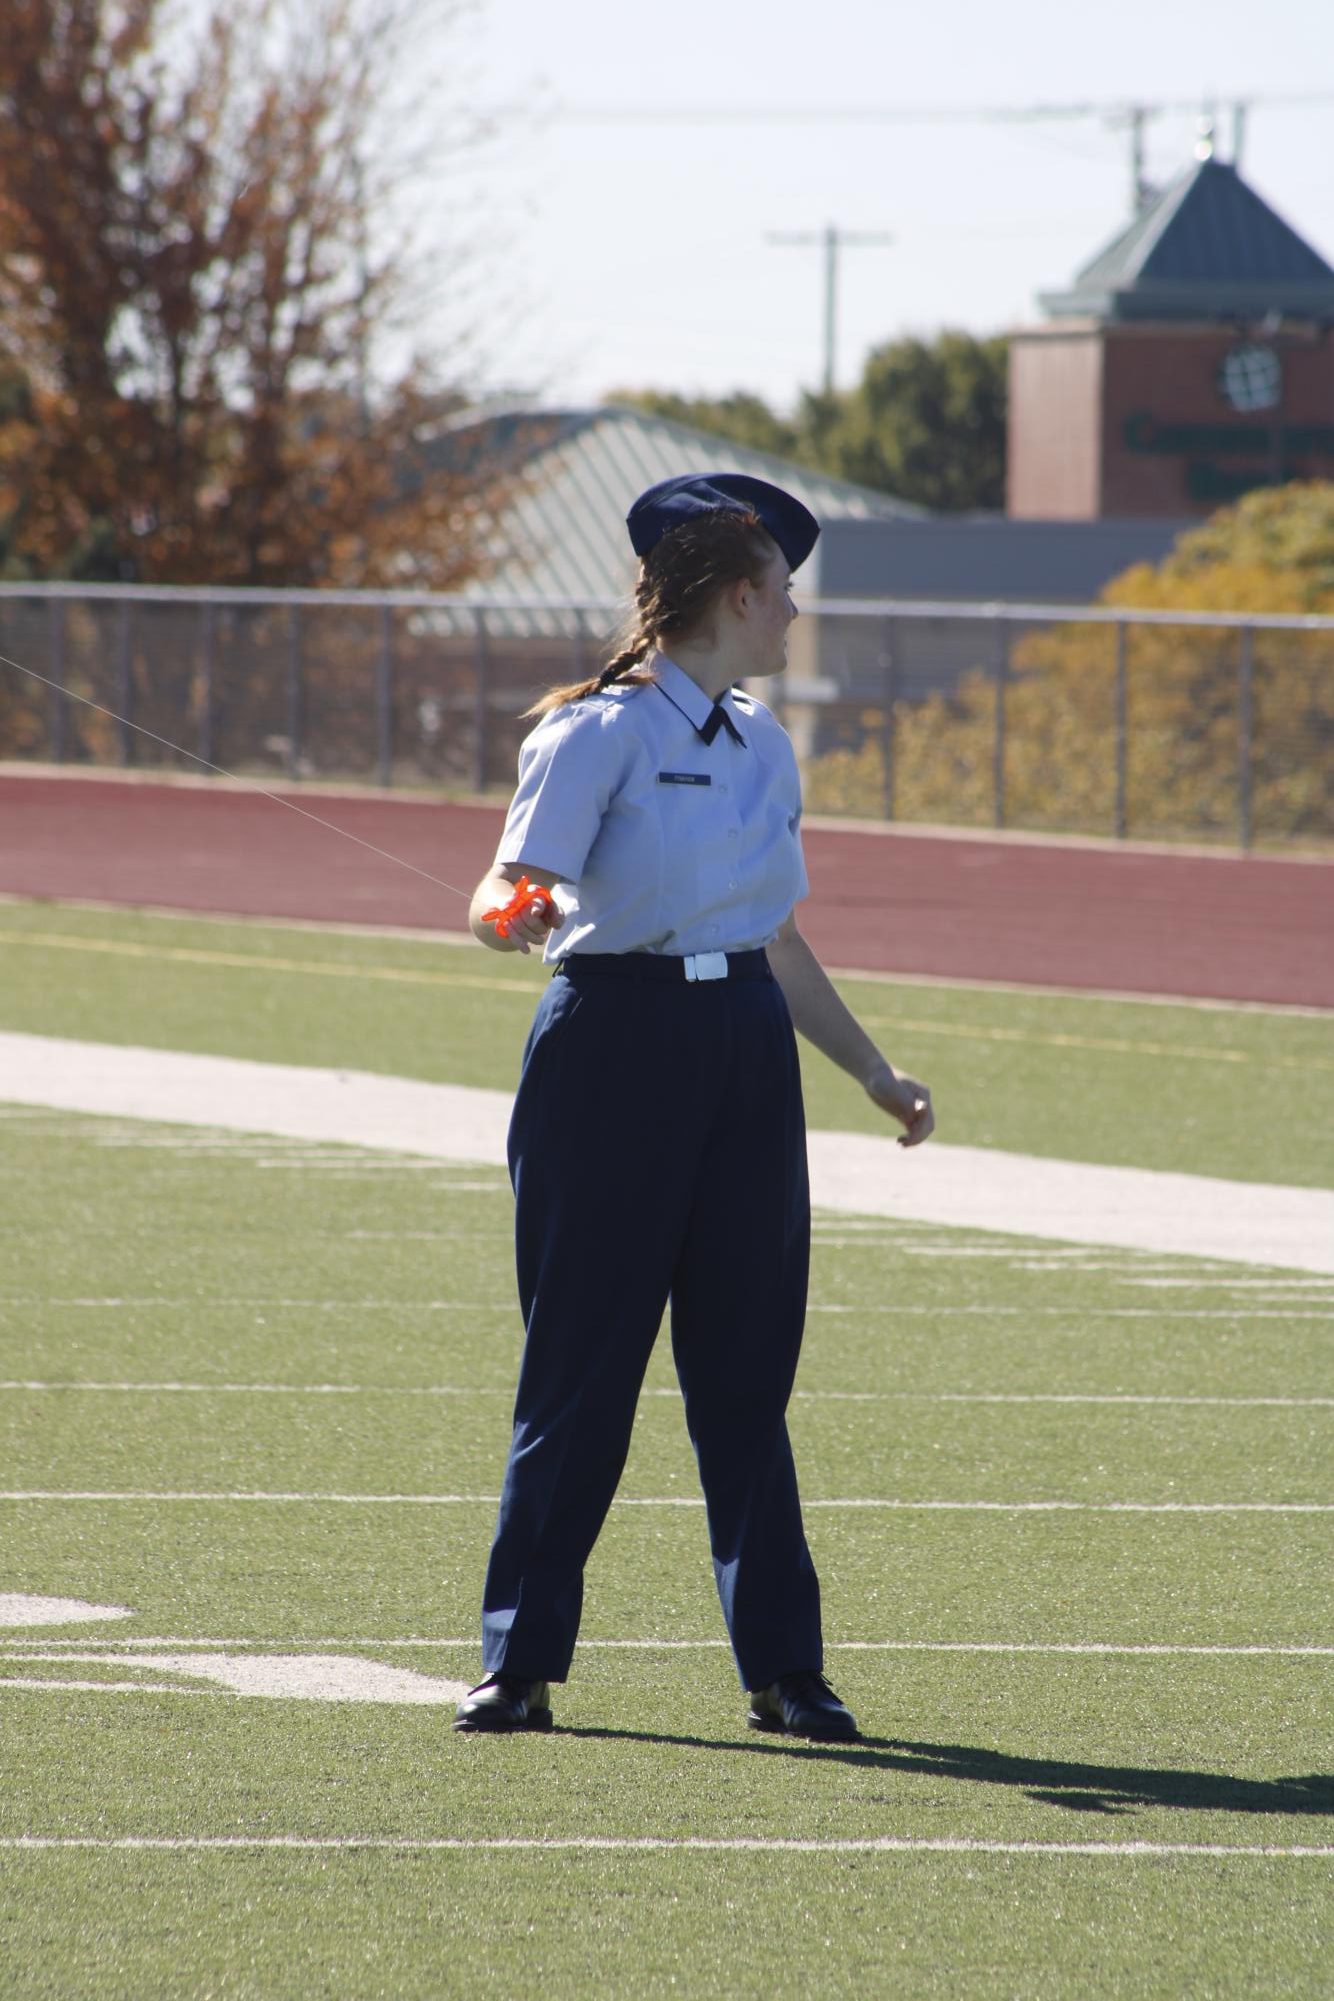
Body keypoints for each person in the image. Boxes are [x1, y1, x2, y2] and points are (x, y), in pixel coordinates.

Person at [453, 472, 933, 1742]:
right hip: (611, 1044)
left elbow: (771, 934)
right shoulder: (594, 733)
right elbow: (509, 894)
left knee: (742, 1379)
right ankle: (519, 1661)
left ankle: (785, 1671)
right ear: (733, 595)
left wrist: (872, 1072)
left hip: (743, 1057)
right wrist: (512, 917)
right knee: (579, 1371)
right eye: (781, 593)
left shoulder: (763, 743)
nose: (791, 616)